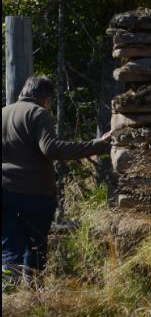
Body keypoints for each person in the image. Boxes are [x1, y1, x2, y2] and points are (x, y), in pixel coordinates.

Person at [2, 76, 112, 281]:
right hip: (34, 194)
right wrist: (97, 145)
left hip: (5, 194)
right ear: (45, 99)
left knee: (9, 249)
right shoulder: (38, 113)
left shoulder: (4, 113)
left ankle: (10, 294)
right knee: (35, 250)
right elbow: (50, 148)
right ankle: (33, 296)